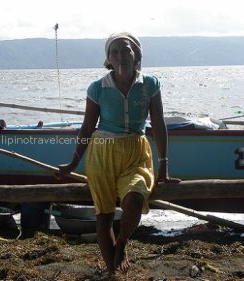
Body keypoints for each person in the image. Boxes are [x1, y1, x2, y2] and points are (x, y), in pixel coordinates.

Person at [58, 32, 180, 275]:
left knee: (134, 199)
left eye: (126, 50)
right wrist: (73, 162)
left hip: (136, 153)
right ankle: (112, 272)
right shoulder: (97, 88)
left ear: (136, 55)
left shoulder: (150, 85)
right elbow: (87, 127)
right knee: (104, 217)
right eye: (114, 52)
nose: (121, 56)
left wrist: (163, 164)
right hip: (102, 155)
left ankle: (122, 242)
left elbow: (157, 123)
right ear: (108, 59)